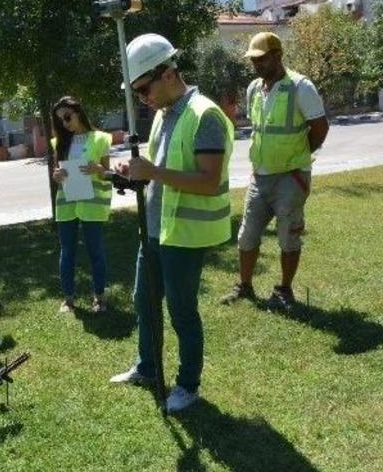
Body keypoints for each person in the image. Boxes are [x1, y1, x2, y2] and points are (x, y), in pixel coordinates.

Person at [108, 34, 233, 413]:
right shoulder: (164, 115)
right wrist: (133, 173)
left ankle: (188, 385)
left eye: (144, 88)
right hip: (156, 227)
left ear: (166, 73)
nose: (142, 98)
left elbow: (208, 181)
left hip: (185, 233)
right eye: (136, 92)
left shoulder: (204, 115)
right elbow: (158, 170)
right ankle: (147, 367)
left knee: (181, 310)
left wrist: (153, 171)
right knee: (143, 301)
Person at [220, 32, 329, 310]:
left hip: (291, 177)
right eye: (253, 60)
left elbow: (320, 128)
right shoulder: (254, 88)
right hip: (260, 176)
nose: (256, 64)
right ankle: (244, 286)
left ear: (278, 55)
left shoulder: (301, 87)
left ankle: (284, 290)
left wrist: (299, 156)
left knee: (288, 236)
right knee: (247, 235)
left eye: (262, 58)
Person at [50, 96, 113, 313]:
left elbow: (108, 174)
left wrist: (98, 170)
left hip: (93, 204)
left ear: (78, 112)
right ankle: (68, 299)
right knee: (67, 252)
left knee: (95, 250)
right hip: (67, 202)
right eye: (60, 121)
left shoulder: (101, 139)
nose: (65, 123)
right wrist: (57, 175)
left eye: (67, 117)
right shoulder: (58, 142)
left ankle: (99, 297)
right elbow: (57, 173)